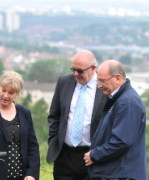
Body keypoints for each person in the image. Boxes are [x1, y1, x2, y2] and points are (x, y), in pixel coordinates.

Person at [46, 50, 107, 180]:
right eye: (73, 69)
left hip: (91, 157)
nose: (75, 74)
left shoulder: (104, 87)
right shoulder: (64, 82)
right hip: (64, 155)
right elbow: (54, 115)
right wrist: (54, 140)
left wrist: (99, 153)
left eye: (79, 71)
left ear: (93, 68)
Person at [84, 60, 148, 180]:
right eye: (98, 80)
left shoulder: (127, 103)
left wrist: (95, 154)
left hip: (121, 174)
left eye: (102, 80)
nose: (99, 85)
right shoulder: (118, 100)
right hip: (115, 173)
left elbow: (121, 141)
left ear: (118, 78)